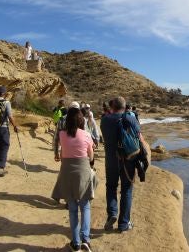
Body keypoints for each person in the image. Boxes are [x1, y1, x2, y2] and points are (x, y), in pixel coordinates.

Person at [51, 107, 94, 252]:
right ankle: (85, 240)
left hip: (67, 172)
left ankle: (75, 243)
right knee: (85, 206)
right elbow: (91, 156)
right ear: (81, 120)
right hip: (82, 171)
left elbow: (63, 154)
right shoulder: (86, 134)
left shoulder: (63, 134)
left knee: (73, 209)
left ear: (67, 120)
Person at [100, 96, 142, 232]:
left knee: (111, 187)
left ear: (112, 106)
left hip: (111, 160)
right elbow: (138, 134)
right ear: (124, 107)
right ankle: (124, 223)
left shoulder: (105, 120)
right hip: (127, 160)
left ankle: (112, 213)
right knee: (126, 189)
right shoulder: (130, 118)